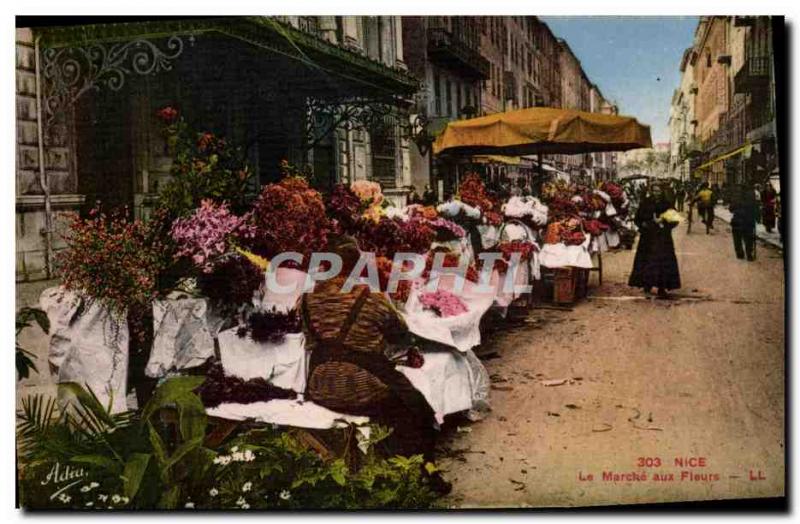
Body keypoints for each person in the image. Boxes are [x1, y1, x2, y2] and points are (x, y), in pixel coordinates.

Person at [301, 236, 450, 492]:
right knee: (417, 410)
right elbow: (400, 335)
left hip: (320, 385)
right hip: (364, 385)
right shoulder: (372, 298)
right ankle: (426, 470)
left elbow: (309, 339)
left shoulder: (306, 300)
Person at [628, 183, 681, 298]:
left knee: (662, 262)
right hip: (648, 238)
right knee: (647, 261)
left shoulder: (667, 204)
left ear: (662, 191)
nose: (656, 193)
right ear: (651, 191)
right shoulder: (646, 203)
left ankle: (662, 287)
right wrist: (646, 224)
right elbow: (638, 219)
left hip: (663, 238)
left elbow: (675, 220)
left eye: (658, 191)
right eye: (654, 191)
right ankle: (647, 284)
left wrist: (664, 224)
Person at [729, 184, 758, 261]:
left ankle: (740, 253)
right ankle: (749, 254)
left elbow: (731, 209)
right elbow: (755, 208)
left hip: (737, 220)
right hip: (748, 220)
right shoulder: (751, 197)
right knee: (749, 238)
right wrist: (756, 218)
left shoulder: (735, 197)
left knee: (737, 238)